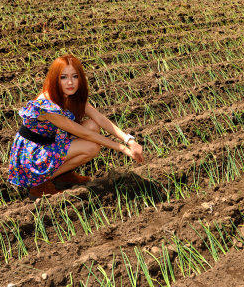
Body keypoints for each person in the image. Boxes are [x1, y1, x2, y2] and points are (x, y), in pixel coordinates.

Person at [8, 54, 144, 198]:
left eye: (74, 76)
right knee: (91, 147)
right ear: (55, 79)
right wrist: (122, 148)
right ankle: (38, 183)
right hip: (32, 155)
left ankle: (62, 175)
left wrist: (129, 140)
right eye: (63, 77)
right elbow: (85, 135)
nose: (70, 82)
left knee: (92, 125)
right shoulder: (47, 103)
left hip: (50, 143)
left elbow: (100, 119)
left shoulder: (73, 96)